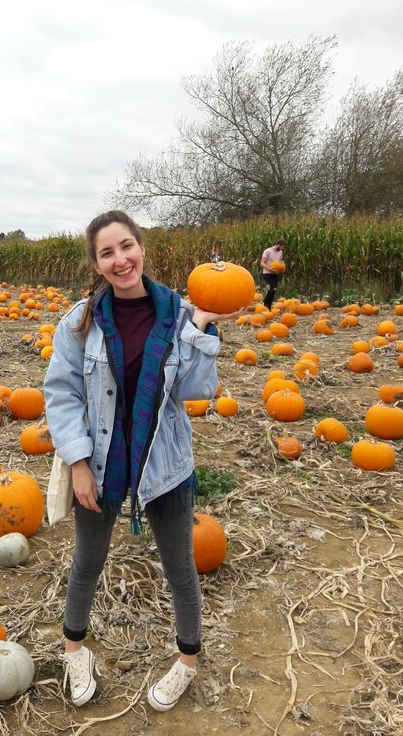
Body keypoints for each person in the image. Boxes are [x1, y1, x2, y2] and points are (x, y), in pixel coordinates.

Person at [43, 210, 243, 712]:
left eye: (126, 246)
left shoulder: (179, 314)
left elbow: (199, 391)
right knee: (87, 561)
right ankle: (74, 653)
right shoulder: (79, 320)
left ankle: (187, 663)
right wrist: (78, 462)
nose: (120, 259)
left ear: (141, 248)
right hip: (103, 460)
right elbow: (61, 394)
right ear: (96, 262)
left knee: (181, 568)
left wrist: (201, 329)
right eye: (107, 252)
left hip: (164, 462)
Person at [260, 238, 286, 310]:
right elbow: (262, 263)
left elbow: (279, 263)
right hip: (267, 273)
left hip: (275, 274)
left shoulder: (280, 252)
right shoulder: (267, 251)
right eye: (282, 247)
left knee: (274, 290)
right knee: (272, 288)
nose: (282, 249)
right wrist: (269, 269)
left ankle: (269, 306)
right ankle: (265, 302)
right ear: (278, 245)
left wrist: (282, 269)